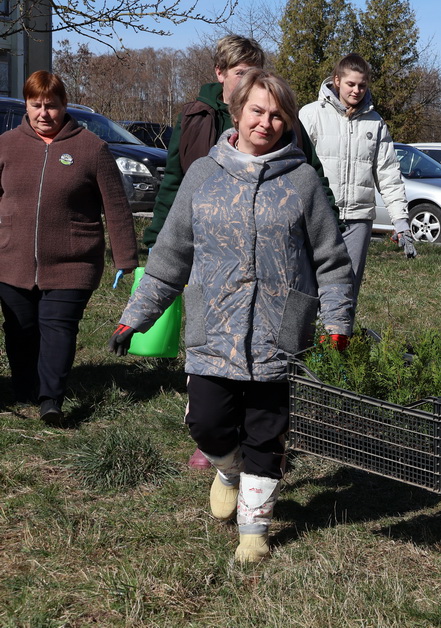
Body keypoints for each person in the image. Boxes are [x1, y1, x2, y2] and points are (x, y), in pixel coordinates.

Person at [108, 69, 354, 564]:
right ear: (237, 112)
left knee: (268, 430)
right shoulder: (203, 174)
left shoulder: (302, 180)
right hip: (212, 329)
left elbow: (331, 259)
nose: (266, 122)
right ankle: (227, 469)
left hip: (278, 330)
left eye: (278, 114)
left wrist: (337, 322)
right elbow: (171, 254)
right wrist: (135, 317)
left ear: (288, 123)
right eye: (257, 111)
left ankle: (253, 532)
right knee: (208, 424)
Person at [142, 35, 336, 470]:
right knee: (212, 407)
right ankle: (220, 450)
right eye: (241, 74)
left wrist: (326, 228)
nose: (266, 121)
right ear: (223, 77)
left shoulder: (288, 140)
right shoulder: (193, 120)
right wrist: (156, 240)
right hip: (216, 286)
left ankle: (258, 488)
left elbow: (314, 190)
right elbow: (175, 187)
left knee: (266, 410)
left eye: (275, 115)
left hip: (277, 296)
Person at [0, 71, 138, 424]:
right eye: (36, 105)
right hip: (11, 258)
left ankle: (51, 401)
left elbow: (117, 207)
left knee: (58, 328)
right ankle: (24, 388)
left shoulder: (91, 148)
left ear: (65, 105)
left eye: (52, 106)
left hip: (73, 260)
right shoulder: (6, 146)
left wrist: (126, 257)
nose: (44, 113)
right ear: (26, 107)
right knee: (20, 329)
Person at [299, 53, 416, 308]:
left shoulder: (375, 123)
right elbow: (297, 167)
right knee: (311, 284)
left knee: (347, 289)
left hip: (358, 219)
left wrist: (401, 221)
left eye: (362, 85)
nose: (356, 90)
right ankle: (308, 342)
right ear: (337, 80)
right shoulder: (310, 115)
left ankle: (340, 344)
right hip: (319, 217)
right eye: (351, 84)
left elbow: (388, 174)